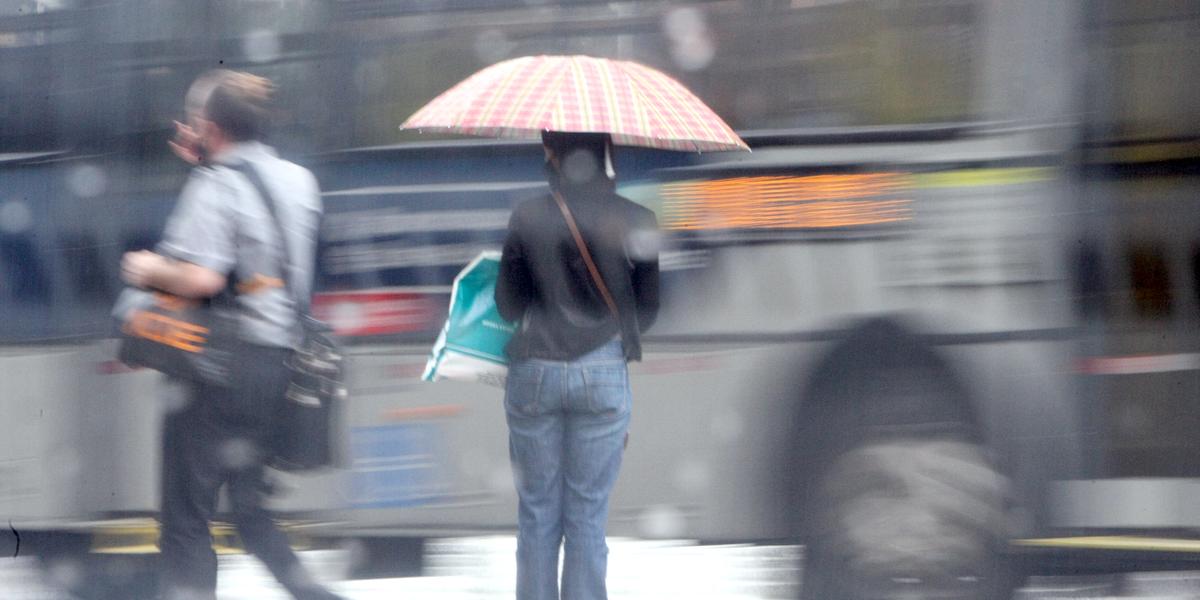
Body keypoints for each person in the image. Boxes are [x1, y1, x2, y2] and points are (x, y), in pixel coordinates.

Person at [120, 70, 341, 600]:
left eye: (196, 118)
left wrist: (148, 269)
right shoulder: (298, 181)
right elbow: (263, 249)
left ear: (211, 127)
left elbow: (204, 278)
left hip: (217, 373)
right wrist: (211, 163)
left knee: (187, 518)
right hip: (278, 367)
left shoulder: (215, 186)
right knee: (251, 512)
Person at [495, 131, 660, 600]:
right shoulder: (638, 218)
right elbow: (648, 312)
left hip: (535, 375)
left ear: (555, 155)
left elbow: (508, 307)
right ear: (606, 154)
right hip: (604, 372)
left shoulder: (528, 216)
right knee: (587, 517)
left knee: (537, 514)